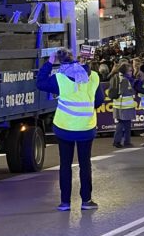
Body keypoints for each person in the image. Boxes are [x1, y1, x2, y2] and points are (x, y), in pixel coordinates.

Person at [37, 48, 104, 211]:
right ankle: (86, 200)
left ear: (60, 61)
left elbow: (40, 82)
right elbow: (99, 100)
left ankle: (65, 202)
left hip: (64, 128)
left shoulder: (59, 79)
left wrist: (49, 62)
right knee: (85, 164)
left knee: (65, 164)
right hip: (86, 128)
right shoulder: (93, 77)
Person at [109, 61, 136, 149]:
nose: (131, 72)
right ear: (125, 71)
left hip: (118, 104)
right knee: (123, 124)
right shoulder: (125, 80)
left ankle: (126, 141)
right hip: (124, 105)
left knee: (125, 124)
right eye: (130, 71)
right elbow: (128, 91)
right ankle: (118, 141)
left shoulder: (116, 77)